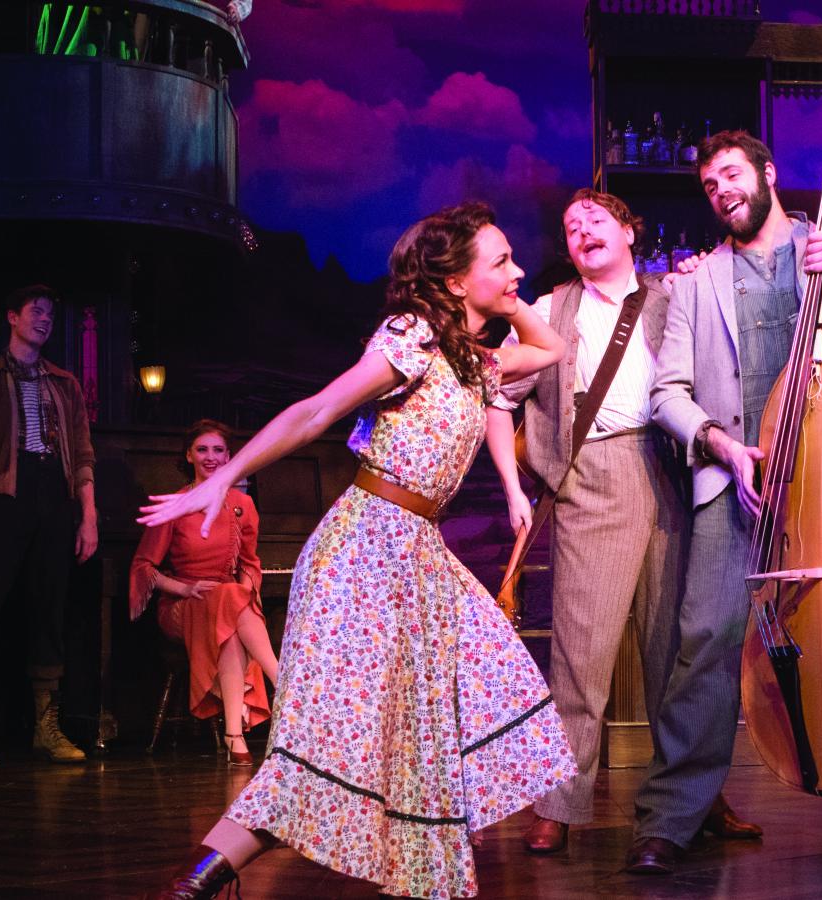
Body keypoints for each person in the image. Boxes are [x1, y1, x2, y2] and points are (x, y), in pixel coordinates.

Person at [141, 202, 575, 900]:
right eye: (500, 261)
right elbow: (317, 410)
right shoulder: (414, 338)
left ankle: (419, 875)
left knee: (437, 724)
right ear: (455, 282)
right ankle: (195, 880)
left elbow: (550, 347)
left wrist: (512, 296)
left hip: (418, 554)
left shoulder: (476, 360)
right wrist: (222, 476)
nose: (517, 269)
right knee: (331, 741)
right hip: (369, 545)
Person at [644, 130, 822, 875]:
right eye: (708, 185)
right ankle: (672, 819)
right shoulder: (693, 283)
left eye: (731, 174)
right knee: (704, 646)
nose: (721, 190)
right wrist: (722, 448)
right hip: (735, 487)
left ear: (767, 173)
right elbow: (667, 394)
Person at [489, 189, 759, 857]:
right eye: (571, 228)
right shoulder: (552, 309)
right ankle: (560, 800)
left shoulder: (673, 294)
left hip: (672, 470)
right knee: (582, 654)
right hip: (595, 475)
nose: (582, 232)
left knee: (680, 650)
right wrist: (511, 488)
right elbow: (497, 395)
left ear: (630, 232)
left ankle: (694, 794)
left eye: (596, 220)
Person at [0, 283, 97, 769]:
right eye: (36, 311)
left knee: (49, 610)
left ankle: (46, 726)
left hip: (53, 499)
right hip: (1, 500)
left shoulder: (65, 383)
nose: (45, 319)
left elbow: (83, 457)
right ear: (12, 316)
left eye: (51, 314)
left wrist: (87, 516)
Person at [130, 420, 279, 765]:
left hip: (226, 605)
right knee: (229, 603)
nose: (210, 457)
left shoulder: (243, 504)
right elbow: (144, 567)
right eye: (202, 449)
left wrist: (243, 590)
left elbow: (250, 565)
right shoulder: (177, 503)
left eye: (218, 450)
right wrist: (185, 587)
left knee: (229, 616)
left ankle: (234, 736)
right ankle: (281, 678)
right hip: (184, 604)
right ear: (189, 455)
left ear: (229, 456)